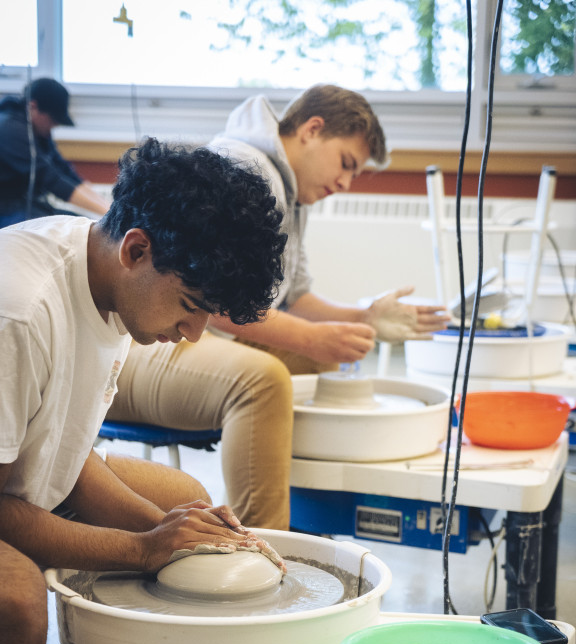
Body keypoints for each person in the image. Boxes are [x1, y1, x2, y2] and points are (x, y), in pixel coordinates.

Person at [0, 137, 286, 644]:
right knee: (16, 598)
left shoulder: (114, 287)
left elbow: (60, 451)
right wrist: (140, 548)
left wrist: (166, 524)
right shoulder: (22, 309)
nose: (190, 335)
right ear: (136, 248)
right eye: (191, 307)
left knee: (182, 496)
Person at [107, 84, 450, 531]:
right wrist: (314, 337)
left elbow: (295, 298)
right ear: (312, 130)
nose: (346, 182)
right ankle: (264, 546)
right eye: (346, 163)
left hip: (191, 328)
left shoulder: (291, 191)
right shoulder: (250, 170)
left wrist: (363, 318)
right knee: (264, 381)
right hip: (150, 334)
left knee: (321, 362)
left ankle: (310, 522)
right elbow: (213, 300)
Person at [0, 77, 109, 228]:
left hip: (27, 203)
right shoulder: (9, 129)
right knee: (67, 229)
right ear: (33, 106)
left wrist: (110, 209)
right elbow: (51, 180)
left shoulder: (38, 130)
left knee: (83, 224)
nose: (55, 125)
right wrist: (110, 214)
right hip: (6, 209)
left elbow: (64, 171)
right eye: (53, 119)